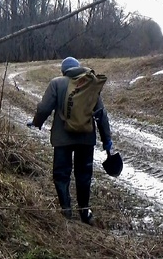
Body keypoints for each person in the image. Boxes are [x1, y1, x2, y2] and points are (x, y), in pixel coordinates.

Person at [27, 57, 113, 226]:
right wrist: (107, 141)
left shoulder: (56, 83)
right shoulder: (89, 84)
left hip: (62, 139)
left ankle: (66, 211)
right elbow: (101, 115)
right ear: (79, 68)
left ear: (63, 70)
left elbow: (44, 108)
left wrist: (37, 123)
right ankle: (84, 212)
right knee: (84, 175)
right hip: (86, 139)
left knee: (61, 175)